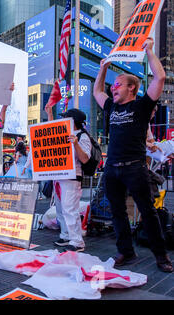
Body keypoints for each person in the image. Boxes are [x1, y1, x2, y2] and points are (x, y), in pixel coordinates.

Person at [93, 37, 172, 272]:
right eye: (113, 84)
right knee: (117, 213)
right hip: (112, 169)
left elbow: (160, 78)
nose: (112, 87)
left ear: (132, 88)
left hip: (135, 168)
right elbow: (97, 90)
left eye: (118, 84)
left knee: (148, 213)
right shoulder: (112, 107)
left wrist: (149, 50)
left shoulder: (141, 106)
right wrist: (103, 68)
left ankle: (161, 257)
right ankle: (126, 252)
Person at [45, 105, 92, 252]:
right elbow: (48, 131)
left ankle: (77, 241)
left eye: (65, 117)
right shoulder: (63, 133)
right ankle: (66, 235)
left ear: (73, 121)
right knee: (60, 208)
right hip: (59, 176)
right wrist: (49, 114)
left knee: (70, 209)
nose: (62, 119)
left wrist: (76, 144)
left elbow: (85, 159)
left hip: (72, 177)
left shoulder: (82, 136)